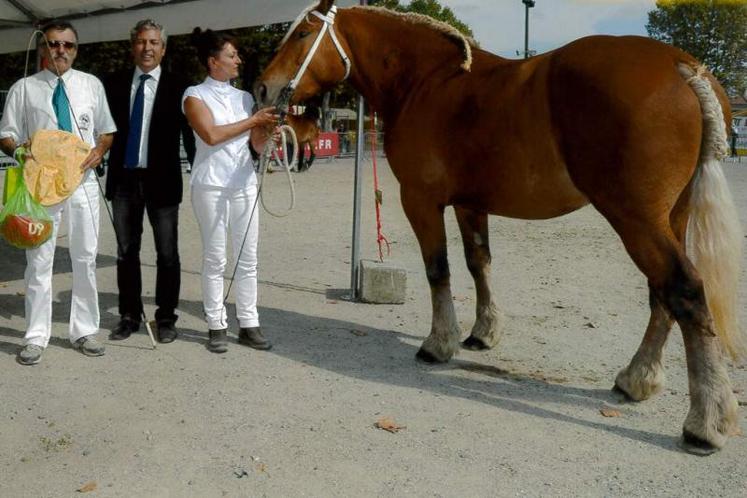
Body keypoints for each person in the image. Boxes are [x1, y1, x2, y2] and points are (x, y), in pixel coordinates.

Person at [0, 20, 116, 365]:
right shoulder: (24, 88)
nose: (61, 51)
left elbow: (107, 130)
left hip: (83, 183)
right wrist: (20, 151)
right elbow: (6, 134)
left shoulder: (91, 85)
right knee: (38, 262)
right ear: (42, 48)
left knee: (85, 257)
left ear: (76, 50)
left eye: (68, 45)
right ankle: (36, 335)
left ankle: (83, 330)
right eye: (54, 44)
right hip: (40, 187)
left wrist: (100, 150)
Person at [182, 28, 278, 353]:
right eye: (231, 55)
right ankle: (216, 324)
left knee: (248, 257)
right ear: (213, 61)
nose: (238, 60)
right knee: (215, 257)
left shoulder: (245, 98)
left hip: (243, 182)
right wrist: (253, 122)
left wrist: (266, 132)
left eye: (237, 55)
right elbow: (209, 135)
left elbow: (254, 145)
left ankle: (249, 323)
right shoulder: (194, 95)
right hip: (210, 184)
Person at [104, 19, 195, 344]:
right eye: (142, 42)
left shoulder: (180, 86)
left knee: (167, 254)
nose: (147, 48)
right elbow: (102, 130)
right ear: (133, 46)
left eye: (154, 42)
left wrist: (199, 175)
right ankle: (129, 315)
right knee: (126, 251)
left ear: (163, 48)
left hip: (163, 182)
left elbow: (193, 136)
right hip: (124, 182)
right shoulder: (113, 84)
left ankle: (166, 318)